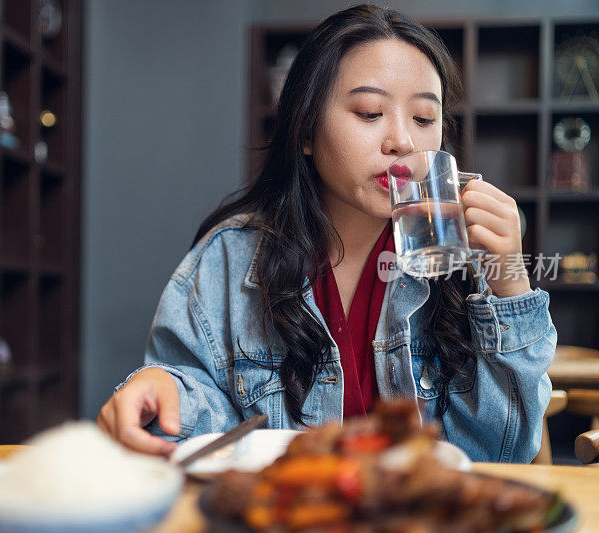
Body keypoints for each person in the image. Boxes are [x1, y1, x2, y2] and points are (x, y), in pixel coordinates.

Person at [97, 4, 556, 463]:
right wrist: (166, 388)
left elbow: (503, 454)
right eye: (370, 111)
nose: (403, 141)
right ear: (306, 132)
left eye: (423, 118)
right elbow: (203, 426)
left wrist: (511, 285)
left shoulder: (464, 259)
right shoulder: (227, 261)